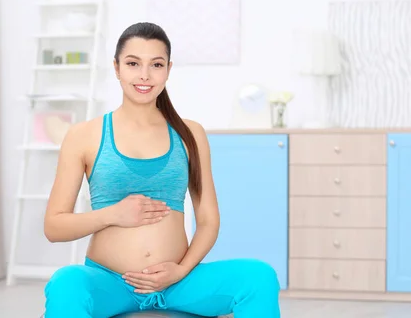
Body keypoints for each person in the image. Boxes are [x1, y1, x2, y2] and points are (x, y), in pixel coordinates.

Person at [42, 22, 281, 318]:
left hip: (178, 283)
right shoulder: (84, 135)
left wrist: (180, 270)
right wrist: (112, 215)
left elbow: (208, 221)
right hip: (110, 282)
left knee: (258, 277)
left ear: (168, 69)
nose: (144, 75)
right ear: (117, 68)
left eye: (156, 64)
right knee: (66, 282)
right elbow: (54, 226)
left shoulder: (190, 134)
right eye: (133, 64)